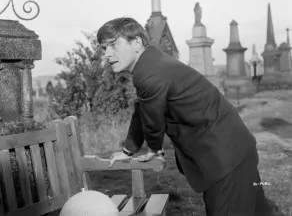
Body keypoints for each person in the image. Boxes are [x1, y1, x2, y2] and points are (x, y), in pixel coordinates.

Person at [96, 17, 271, 216]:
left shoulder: (149, 73)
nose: (107, 54)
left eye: (113, 45)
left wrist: (154, 148)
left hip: (225, 158)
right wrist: (129, 150)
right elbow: (142, 110)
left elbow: (152, 121)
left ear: (136, 43)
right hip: (234, 148)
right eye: (104, 48)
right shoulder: (152, 62)